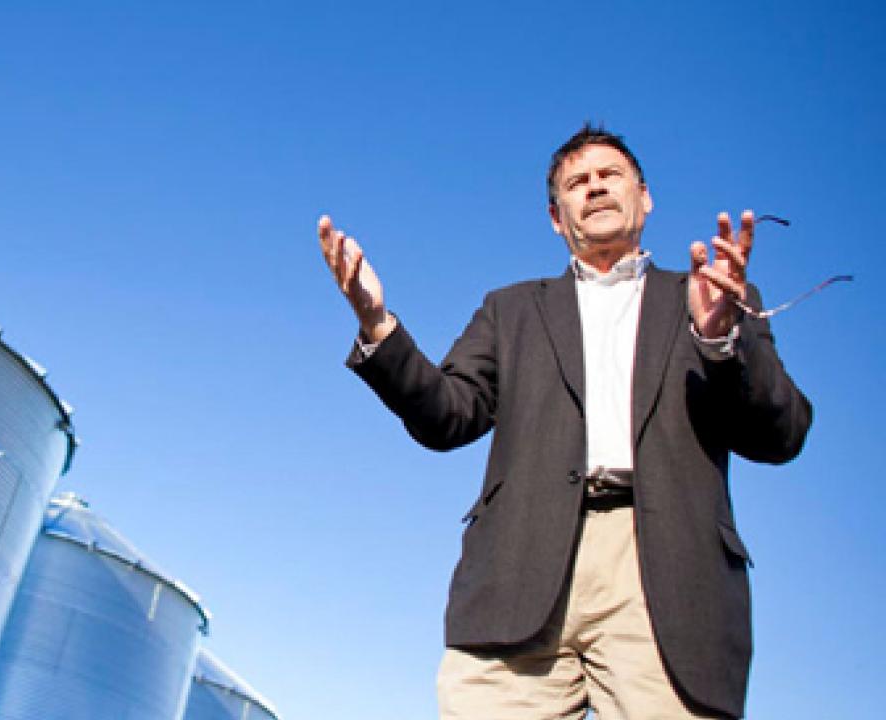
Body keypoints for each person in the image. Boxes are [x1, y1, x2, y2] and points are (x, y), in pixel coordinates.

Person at [317, 124, 811, 719]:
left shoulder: (714, 295)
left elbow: (781, 435)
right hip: (521, 568)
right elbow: (447, 416)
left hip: (666, 581)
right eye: (578, 183)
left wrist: (719, 341)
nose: (595, 188)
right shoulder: (511, 310)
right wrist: (378, 327)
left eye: (610, 176)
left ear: (645, 197)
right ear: (557, 217)